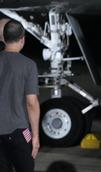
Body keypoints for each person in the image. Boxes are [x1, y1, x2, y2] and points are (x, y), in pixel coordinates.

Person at [0, 20, 40, 172]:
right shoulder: (28, 65)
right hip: (20, 131)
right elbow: (32, 102)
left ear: (4, 37)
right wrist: (35, 136)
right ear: (22, 39)